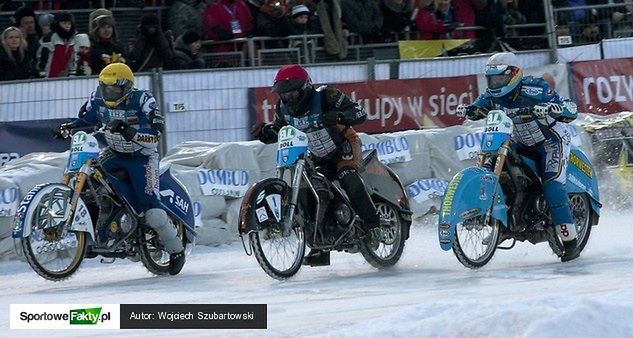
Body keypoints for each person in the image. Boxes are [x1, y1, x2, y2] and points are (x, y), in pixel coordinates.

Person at [53, 63, 186, 275]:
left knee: (151, 210)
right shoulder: (96, 98)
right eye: (105, 87)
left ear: (127, 87)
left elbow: (156, 135)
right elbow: (86, 120)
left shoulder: (144, 100)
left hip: (142, 156)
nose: (108, 92)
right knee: (92, 183)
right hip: (113, 152)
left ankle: (176, 250)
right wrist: (69, 126)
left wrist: (128, 130)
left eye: (114, 88)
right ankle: (97, 233)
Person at [251, 64, 381, 266]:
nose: (288, 99)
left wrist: (339, 116)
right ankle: (319, 245)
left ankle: (373, 226)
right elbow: (280, 128)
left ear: (304, 89)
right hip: (316, 155)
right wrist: (267, 133)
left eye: (292, 94)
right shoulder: (282, 108)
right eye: (284, 95)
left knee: (348, 176)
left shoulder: (327, 96)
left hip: (343, 144)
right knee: (310, 191)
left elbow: (359, 112)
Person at [456, 52, 580, 262]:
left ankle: (571, 243)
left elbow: (571, 108)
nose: (495, 83)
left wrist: (554, 108)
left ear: (514, 74)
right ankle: (506, 221)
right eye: (492, 79)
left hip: (550, 143)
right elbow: (477, 108)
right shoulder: (491, 96)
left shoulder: (536, 88)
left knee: (552, 185)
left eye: (500, 78)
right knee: (499, 170)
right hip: (518, 143)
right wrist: (469, 110)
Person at [37, 11, 77, 78]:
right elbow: (43, 56)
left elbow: (72, 58)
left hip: (65, 77)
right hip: (48, 76)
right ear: (57, 24)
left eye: (69, 23)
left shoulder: (71, 39)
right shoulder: (50, 37)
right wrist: (42, 73)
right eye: (64, 23)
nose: (67, 26)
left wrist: (72, 73)